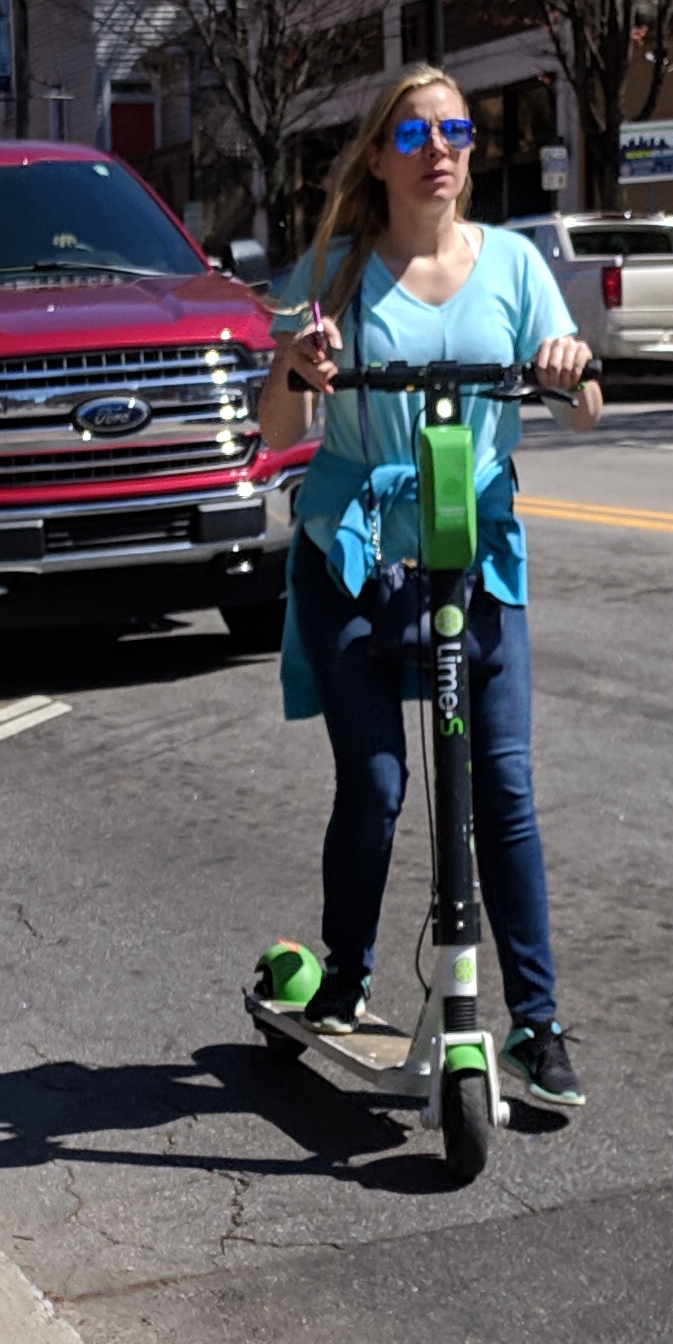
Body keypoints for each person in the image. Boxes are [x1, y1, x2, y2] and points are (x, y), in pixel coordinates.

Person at [253, 63, 601, 1117]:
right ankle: (349, 981)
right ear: (379, 156)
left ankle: (537, 1026)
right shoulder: (338, 271)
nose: (440, 149)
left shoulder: (515, 264)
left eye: (456, 130)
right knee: (380, 785)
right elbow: (276, 434)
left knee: (502, 786)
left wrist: (568, 362)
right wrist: (297, 369)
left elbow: (585, 401)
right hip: (357, 553)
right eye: (415, 135)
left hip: (476, 553)